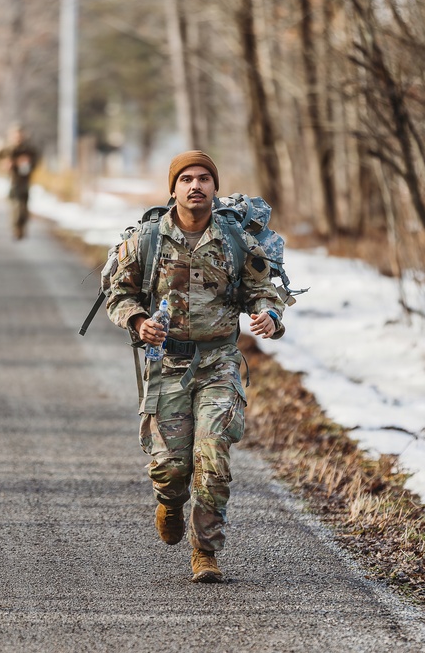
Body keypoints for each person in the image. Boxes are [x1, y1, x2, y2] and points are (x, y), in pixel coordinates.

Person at [105, 150, 286, 583]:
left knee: (213, 455)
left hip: (219, 362)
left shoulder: (236, 240)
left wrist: (269, 315)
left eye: (204, 178)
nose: (195, 185)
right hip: (168, 363)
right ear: (173, 189)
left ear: (214, 187)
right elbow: (118, 293)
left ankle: (206, 552)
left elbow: (264, 289)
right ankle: (170, 501)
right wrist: (139, 321)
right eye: (186, 179)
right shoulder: (147, 240)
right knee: (171, 470)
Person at [0, 124, 40, 240]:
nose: (18, 137)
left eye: (19, 134)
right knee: (14, 205)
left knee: (23, 206)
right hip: (11, 180)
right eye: (15, 135)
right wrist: (4, 164)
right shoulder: (7, 148)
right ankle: (16, 228)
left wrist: (27, 162)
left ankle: (22, 226)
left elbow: (36, 160)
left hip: (24, 181)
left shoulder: (28, 149)